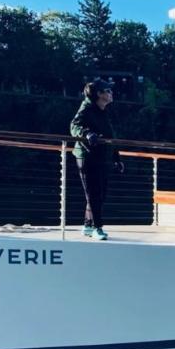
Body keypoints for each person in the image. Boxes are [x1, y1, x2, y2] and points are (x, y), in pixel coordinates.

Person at [70, 80, 124, 239]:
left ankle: (88, 225)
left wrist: (116, 158)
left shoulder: (104, 111)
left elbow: (109, 137)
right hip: (87, 156)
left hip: (103, 156)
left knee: (100, 193)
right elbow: (74, 126)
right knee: (94, 193)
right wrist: (87, 133)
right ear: (99, 94)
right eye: (108, 90)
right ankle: (97, 228)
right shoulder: (87, 108)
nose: (111, 93)